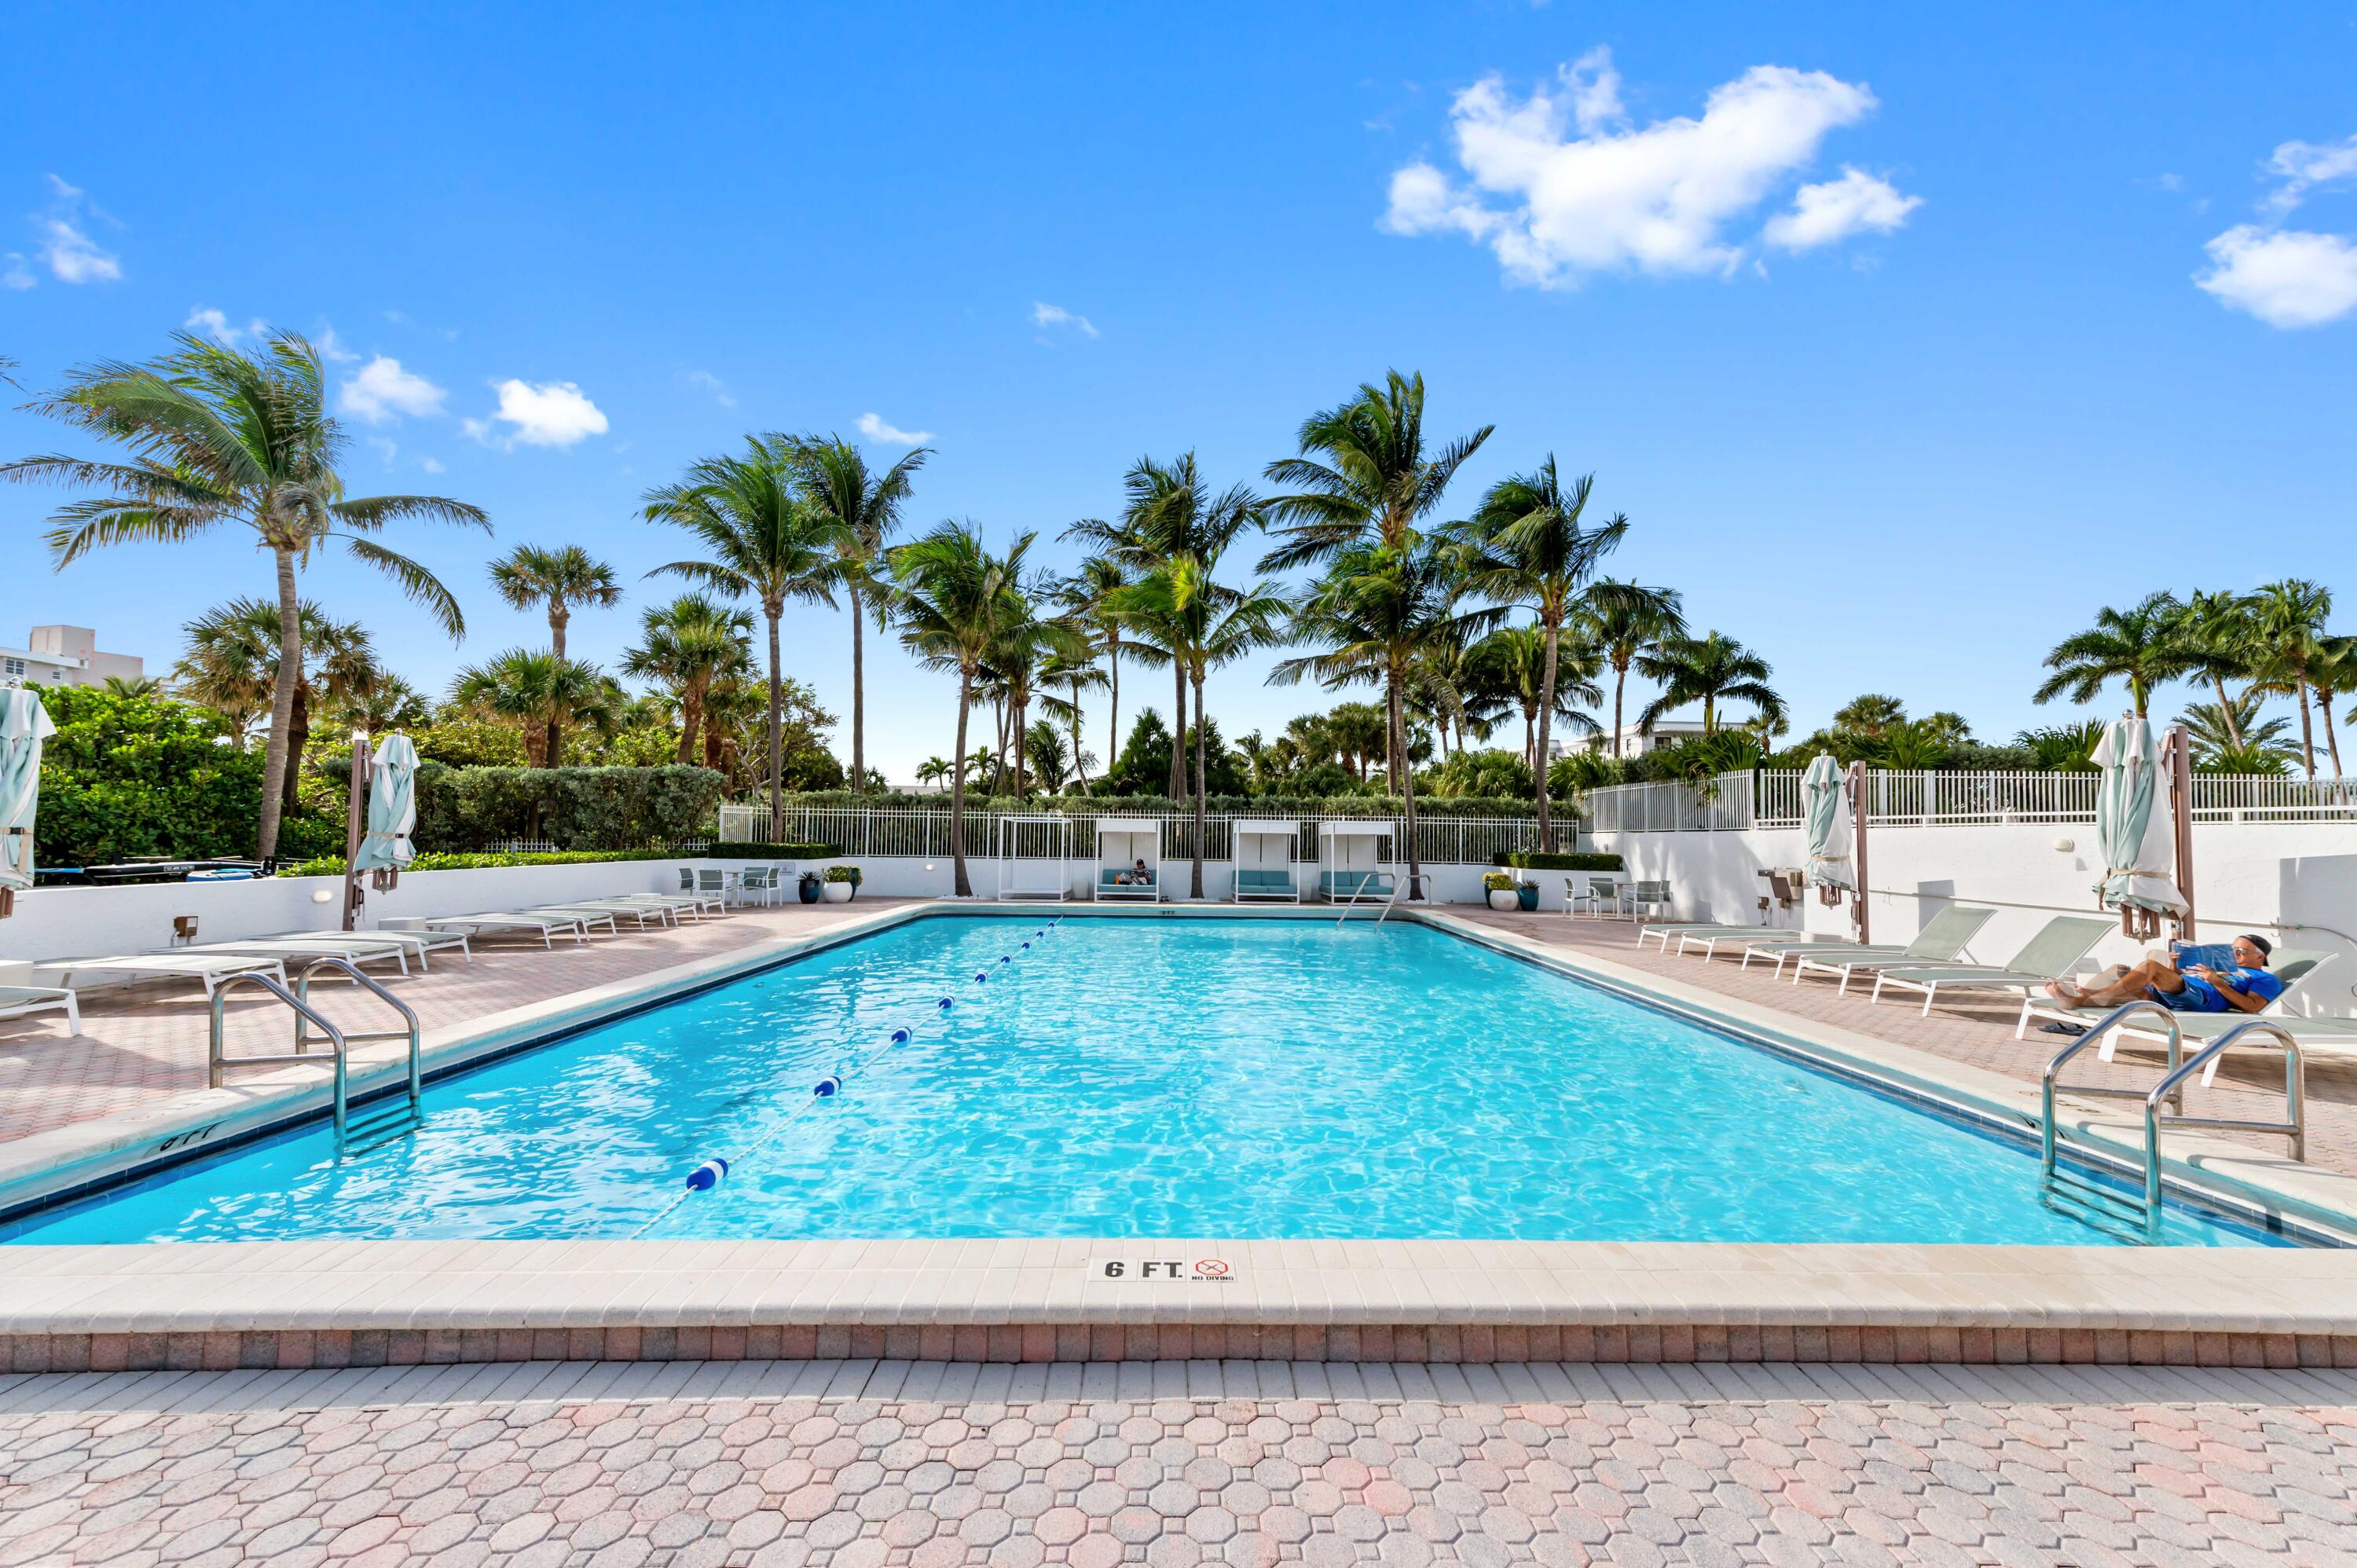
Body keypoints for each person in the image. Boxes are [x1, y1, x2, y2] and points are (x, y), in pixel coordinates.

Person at [2046, 932, 2282, 1014]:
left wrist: (2217, 982)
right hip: (2179, 991)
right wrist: (2173, 968)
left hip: (2201, 998)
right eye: (2233, 949)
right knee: (2137, 988)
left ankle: (2091, 995)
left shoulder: (2265, 979)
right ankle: (2079, 1000)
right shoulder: (2222, 967)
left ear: (2260, 957)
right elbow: (2181, 980)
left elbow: (2252, 1007)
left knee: (2150, 966)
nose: (2236, 953)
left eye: (2241, 951)